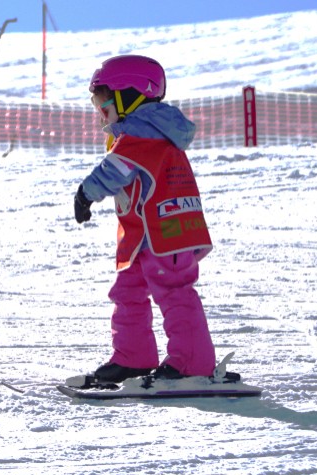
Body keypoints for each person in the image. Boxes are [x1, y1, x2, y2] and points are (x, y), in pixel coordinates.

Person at [67, 55, 238, 388]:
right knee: (128, 291)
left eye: (103, 102)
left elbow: (112, 171)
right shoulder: (139, 133)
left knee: (173, 291)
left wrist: (85, 194)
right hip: (145, 234)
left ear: (128, 97)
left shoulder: (143, 134)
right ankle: (133, 357)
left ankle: (192, 363)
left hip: (167, 232)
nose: (100, 111)